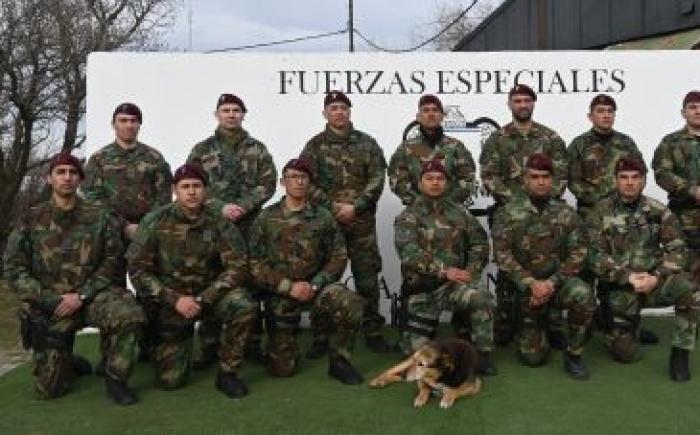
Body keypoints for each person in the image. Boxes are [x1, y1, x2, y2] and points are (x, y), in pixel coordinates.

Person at [4, 152, 145, 405]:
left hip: (93, 297)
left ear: (80, 179)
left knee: (130, 315)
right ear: (49, 178)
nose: (67, 177)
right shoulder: (31, 218)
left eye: (73, 173)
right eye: (60, 172)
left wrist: (82, 295)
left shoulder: (99, 215)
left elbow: (112, 260)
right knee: (49, 391)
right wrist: (49, 299)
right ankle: (67, 362)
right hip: (52, 303)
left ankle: (116, 378)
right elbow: (14, 268)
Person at [126, 164, 255, 397]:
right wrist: (174, 300)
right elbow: (137, 270)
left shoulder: (218, 221)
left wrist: (205, 297)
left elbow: (238, 265)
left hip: (209, 296)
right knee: (170, 381)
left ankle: (228, 373)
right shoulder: (155, 220)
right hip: (170, 302)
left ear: (206, 190)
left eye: (197, 186)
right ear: (175, 190)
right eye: (185, 187)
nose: (192, 192)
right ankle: (164, 343)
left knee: (243, 304)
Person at [248, 158, 364, 385]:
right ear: (283, 182)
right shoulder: (266, 217)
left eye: (303, 177)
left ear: (310, 182)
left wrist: (315, 284)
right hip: (281, 293)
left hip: (315, 288)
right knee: (282, 370)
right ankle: (283, 346)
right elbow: (254, 262)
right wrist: (288, 287)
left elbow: (338, 255)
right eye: (293, 177)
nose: (299, 182)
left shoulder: (323, 216)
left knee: (351, 302)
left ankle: (340, 361)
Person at [587, 156, 700, 381]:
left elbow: (678, 249)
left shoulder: (658, 211)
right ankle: (615, 323)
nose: (629, 182)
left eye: (635, 177)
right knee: (626, 355)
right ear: (615, 180)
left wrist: (656, 277)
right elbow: (593, 255)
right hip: (620, 289)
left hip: (653, 283)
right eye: (624, 177)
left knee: (690, 289)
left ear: (643, 180)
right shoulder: (600, 211)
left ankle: (680, 353)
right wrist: (627, 276)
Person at [187, 93, 277, 367]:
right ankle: (210, 345)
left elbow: (268, 183)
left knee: (252, 282)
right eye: (225, 110)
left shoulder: (257, 149)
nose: (231, 114)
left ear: (243, 115)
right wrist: (220, 207)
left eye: (236, 110)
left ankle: (252, 343)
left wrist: (244, 206)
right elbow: (192, 184)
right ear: (217, 115)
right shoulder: (202, 150)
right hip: (213, 226)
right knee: (213, 278)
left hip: (250, 226)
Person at [82, 102, 172, 367]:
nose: (129, 125)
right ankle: (111, 354)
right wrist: (124, 226)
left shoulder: (154, 158)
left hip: (148, 235)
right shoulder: (99, 160)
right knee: (112, 293)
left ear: (139, 125)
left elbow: (164, 197)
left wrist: (145, 228)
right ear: (114, 124)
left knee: (150, 289)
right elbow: (92, 198)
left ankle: (149, 346)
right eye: (123, 120)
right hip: (111, 236)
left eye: (133, 121)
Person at [301, 91, 390, 356]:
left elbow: (377, 177)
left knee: (367, 279)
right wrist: (333, 208)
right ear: (325, 113)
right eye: (333, 108)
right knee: (324, 279)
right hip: (327, 225)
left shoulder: (367, 143)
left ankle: (373, 332)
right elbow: (305, 182)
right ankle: (321, 335)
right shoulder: (314, 146)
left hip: (361, 223)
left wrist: (357, 206)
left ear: (349, 111)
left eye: (343, 107)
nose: (338, 112)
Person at [480, 84, 568, 346]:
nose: (522, 105)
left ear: (533, 104)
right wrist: (517, 202)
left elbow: (561, 175)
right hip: (510, 214)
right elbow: (489, 176)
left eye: (527, 100)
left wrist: (544, 198)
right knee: (508, 268)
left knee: (549, 264)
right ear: (510, 104)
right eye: (517, 100)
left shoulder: (550, 138)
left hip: (546, 213)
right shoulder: (498, 139)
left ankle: (552, 324)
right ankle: (505, 323)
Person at [493, 153, 594, 380]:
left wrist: (551, 283)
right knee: (533, 358)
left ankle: (574, 353)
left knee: (584, 294)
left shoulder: (566, 213)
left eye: (545, 176)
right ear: (525, 179)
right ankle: (537, 325)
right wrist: (531, 284)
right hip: (524, 291)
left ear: (553, 179)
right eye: (535, 176)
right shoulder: (507, 213)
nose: (541, 182)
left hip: (556, 284)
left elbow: (578, 253)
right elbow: (502, 255)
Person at [568, 94, 658, 344]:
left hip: (625, 218)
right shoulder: (579, 145)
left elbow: (640, 173)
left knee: (623, 268)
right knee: (589, 269)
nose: (606, 115)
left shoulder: (626, 143)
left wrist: (624, 197)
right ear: (590, 116)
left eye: (610, 111)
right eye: (600, 111)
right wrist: (603, 202)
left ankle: (625, 324)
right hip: (590, 215)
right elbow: (572, 180)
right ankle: (586, 322)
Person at [393, 159, 496, 375]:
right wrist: (443, 270)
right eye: (429, 178)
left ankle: (482, 354)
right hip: (422, 290)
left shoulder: (461, 213)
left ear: (447, 183)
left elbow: (480, 244)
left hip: (453, 287)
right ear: (420, 183)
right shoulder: (408, 216)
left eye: (440, 178)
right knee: (417, 356)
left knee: (482, 297)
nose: (435, 182)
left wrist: (471, 272)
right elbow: (409, 254)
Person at [388, 94, 476, 207]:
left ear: (442, 116)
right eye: (426, 110)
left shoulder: (456, 147)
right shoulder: (407, 148)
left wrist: (448, 203)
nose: (431, 114)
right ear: (418, 117)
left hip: (450, 210)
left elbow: (468, 179)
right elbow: (397, 180)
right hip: (417, 211)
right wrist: (419, 202)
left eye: (435, 110)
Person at [653, 90, 700, 286]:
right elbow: (661, 173)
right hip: (684, 219)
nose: (698, 111)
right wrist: (692, 190)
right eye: (692, 107)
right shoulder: (670, 142)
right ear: (683, 113)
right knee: (687, 275)